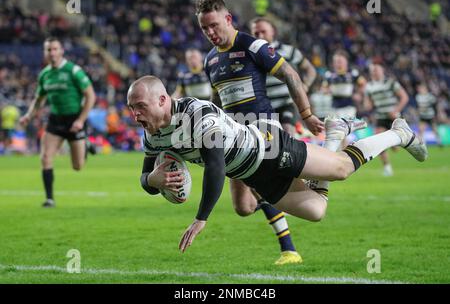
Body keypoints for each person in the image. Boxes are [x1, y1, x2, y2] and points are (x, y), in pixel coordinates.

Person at [127, 75, 428, 254]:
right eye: (131, 108)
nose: (135, 115)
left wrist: (201, 217)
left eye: (140, 107)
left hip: (270, 148)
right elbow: (145, 178)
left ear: (163, 100)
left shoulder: (197, 112)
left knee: (341, 170)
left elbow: (216, 165)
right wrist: (153, 181)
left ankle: (398, 133)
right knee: (316, 210)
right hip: (254, 174)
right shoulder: (153, 135)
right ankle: (334, 135)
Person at [196, 0, 325, 264]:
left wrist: (307, 114)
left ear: (228, 19)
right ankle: (302, 185)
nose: (210, 33)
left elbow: (290, 73)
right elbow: (217, 100)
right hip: (233, 136)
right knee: (243, 208)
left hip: (262, 130)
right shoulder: (210, 60)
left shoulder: (252, 46)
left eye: (214, 25)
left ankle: (289, 248)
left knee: (262, 185)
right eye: (204, 28)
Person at [19, 37, 96, 207]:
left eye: (55, 49)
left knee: (78, 166)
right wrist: (28, 115)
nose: (52, 53)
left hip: (74, 120)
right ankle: (49, 198)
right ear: (45, 53)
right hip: (55, 121)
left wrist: (81, 120)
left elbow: (90, 96)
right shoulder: (45, 74)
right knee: (45, 157)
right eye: (48, 50)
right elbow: (39, 100)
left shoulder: (73, 71)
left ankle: (85, 144)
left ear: (61, 51)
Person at [250, 17, 317, 136]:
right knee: (269, 142)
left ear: (273, 31)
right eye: (256, 33)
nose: (260, 35)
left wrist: (305, 85)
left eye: (263, 31)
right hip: (263, 106)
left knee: (288, 133)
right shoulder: (250, 55)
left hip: (285, 103)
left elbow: (310, 69)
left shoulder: (288, 51)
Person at [364, 64, 409, 176]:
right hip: (380, 116)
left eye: (377, 69)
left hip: (394, 117)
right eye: (373, 70)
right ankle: (387, 167)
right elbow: (368, 105)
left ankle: (393, 144)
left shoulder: (391, 83)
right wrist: (365, 100)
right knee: (378, 142)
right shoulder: (369, 86)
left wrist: (396, 110)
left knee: (395, 148)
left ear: (382, 70)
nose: (375, 72)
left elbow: (404, 97)